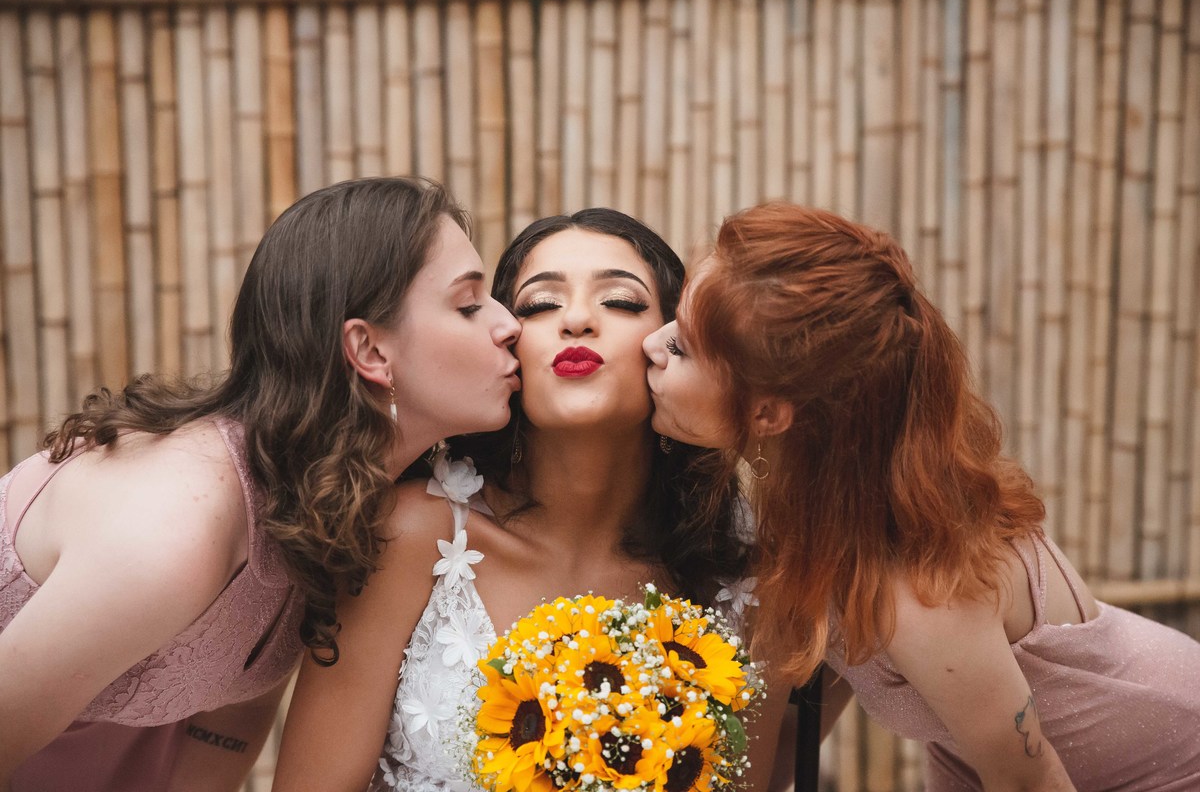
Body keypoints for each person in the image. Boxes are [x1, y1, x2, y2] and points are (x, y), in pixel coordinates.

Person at [642, 201, 1200, 791]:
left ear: (769, 413)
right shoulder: (820, 513)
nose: (653, 342)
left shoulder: (918, 590)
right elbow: (781, 745)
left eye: (682, 347)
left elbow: (1030, 782)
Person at [0, 176, 522, 790]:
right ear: (370, 351)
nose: (510, 325)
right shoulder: (178, 522)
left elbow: (237, 705)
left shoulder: (331, 497)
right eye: (468, 305)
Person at [273, 208, 788, 791]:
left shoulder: (745, 577)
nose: (575, 319)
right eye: (539, 305)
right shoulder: (411, 534)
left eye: (620, 301)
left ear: (677, 343)